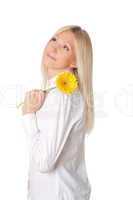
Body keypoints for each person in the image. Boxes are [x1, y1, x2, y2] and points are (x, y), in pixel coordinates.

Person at [20, 25, 94, 200]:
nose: (53, 47)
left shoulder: (62, 96)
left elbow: (44, 162)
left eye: (65, 47)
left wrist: (28, 115)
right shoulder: (58, 92)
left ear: (75, 61)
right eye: (54, 39)